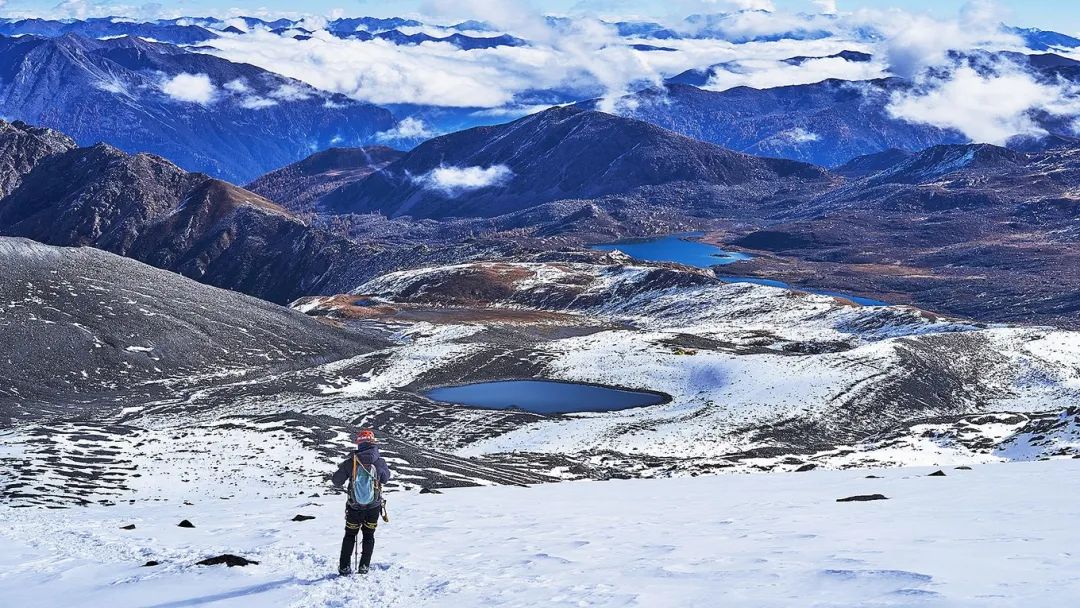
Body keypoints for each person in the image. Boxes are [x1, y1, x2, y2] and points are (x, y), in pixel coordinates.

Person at [332, 428, 391, 575]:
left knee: (350, 535)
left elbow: (336, 481)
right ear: (373, 442)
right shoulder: (379, 461)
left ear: (359, 443)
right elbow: (385, 479)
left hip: (354, 507)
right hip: (373, 507)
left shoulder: (351, 461)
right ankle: (364, 566)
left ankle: (344, 567)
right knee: (369, 536)